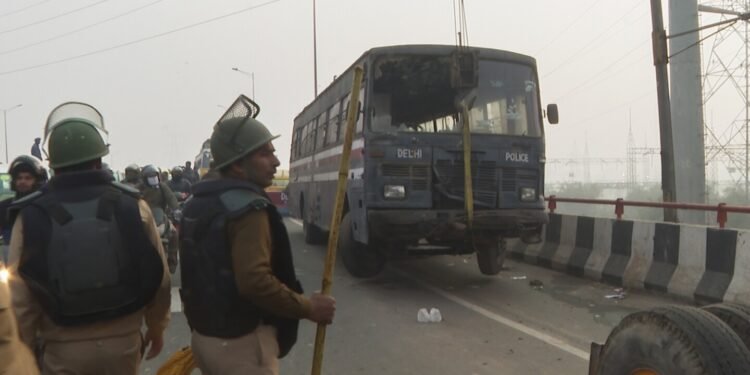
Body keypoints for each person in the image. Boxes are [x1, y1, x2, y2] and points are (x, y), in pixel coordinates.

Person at [7, 102, 170, 375]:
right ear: (99, 159)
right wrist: (156, 327)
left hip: (61, 348)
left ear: (53, 165)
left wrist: (22, 349)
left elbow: (20, 296)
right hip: (125, 344)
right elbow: (160, 277)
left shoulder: (32, 214)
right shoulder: (132, 205)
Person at [179, 99, 335, 375]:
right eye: (264, 154)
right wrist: (309, 307)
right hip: (242, 347)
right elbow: (255, 282)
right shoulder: (247, 210)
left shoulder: (197, 202)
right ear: (238, 166)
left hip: (205, 339)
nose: (275, 161)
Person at [0, 155, 48, 264]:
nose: (22, 181)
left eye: (28, 178)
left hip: (39, 265)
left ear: (37, 181)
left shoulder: (45, 207)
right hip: (10, 265)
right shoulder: (4, 207)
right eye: (19, 178)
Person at [140, 164, 180, 273]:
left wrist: (176, 210)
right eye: (150, 177)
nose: (153, 179)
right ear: (144, 178)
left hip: (160, 217)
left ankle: (172, 262)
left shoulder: (162, 187)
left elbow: (171, 198)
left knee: (174, 233)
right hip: (142, 218)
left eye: (154, 176)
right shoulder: (139, 188)